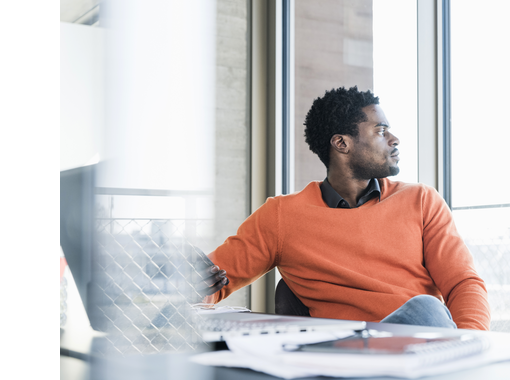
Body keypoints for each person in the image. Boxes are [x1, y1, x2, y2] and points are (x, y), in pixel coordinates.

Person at [198, 86, 490, 330]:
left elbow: (463, 284)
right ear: (341, 143)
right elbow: (209, 283)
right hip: (342, 355)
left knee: (427, 311)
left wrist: (470, 344)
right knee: (428, 312)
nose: (394, 139)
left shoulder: (422, 201)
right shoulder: (281, 216)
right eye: (381, 130)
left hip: (418, 346)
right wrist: (194, 281)